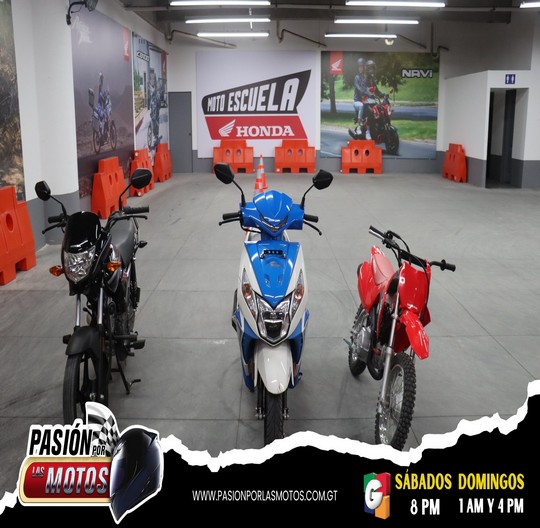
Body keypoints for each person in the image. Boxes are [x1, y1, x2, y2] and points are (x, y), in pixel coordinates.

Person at [349, 58, 369, 140]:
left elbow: (368, 88)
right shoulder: (356, 78)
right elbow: (358, 87)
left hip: (365, 101)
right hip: (357, 102)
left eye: (362, 66)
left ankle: (369, 129)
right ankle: (359, 127)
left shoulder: (366, 78)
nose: (361, 68)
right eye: (359, 66)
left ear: (364, 67)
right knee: (361, 105)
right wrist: (364, 92)